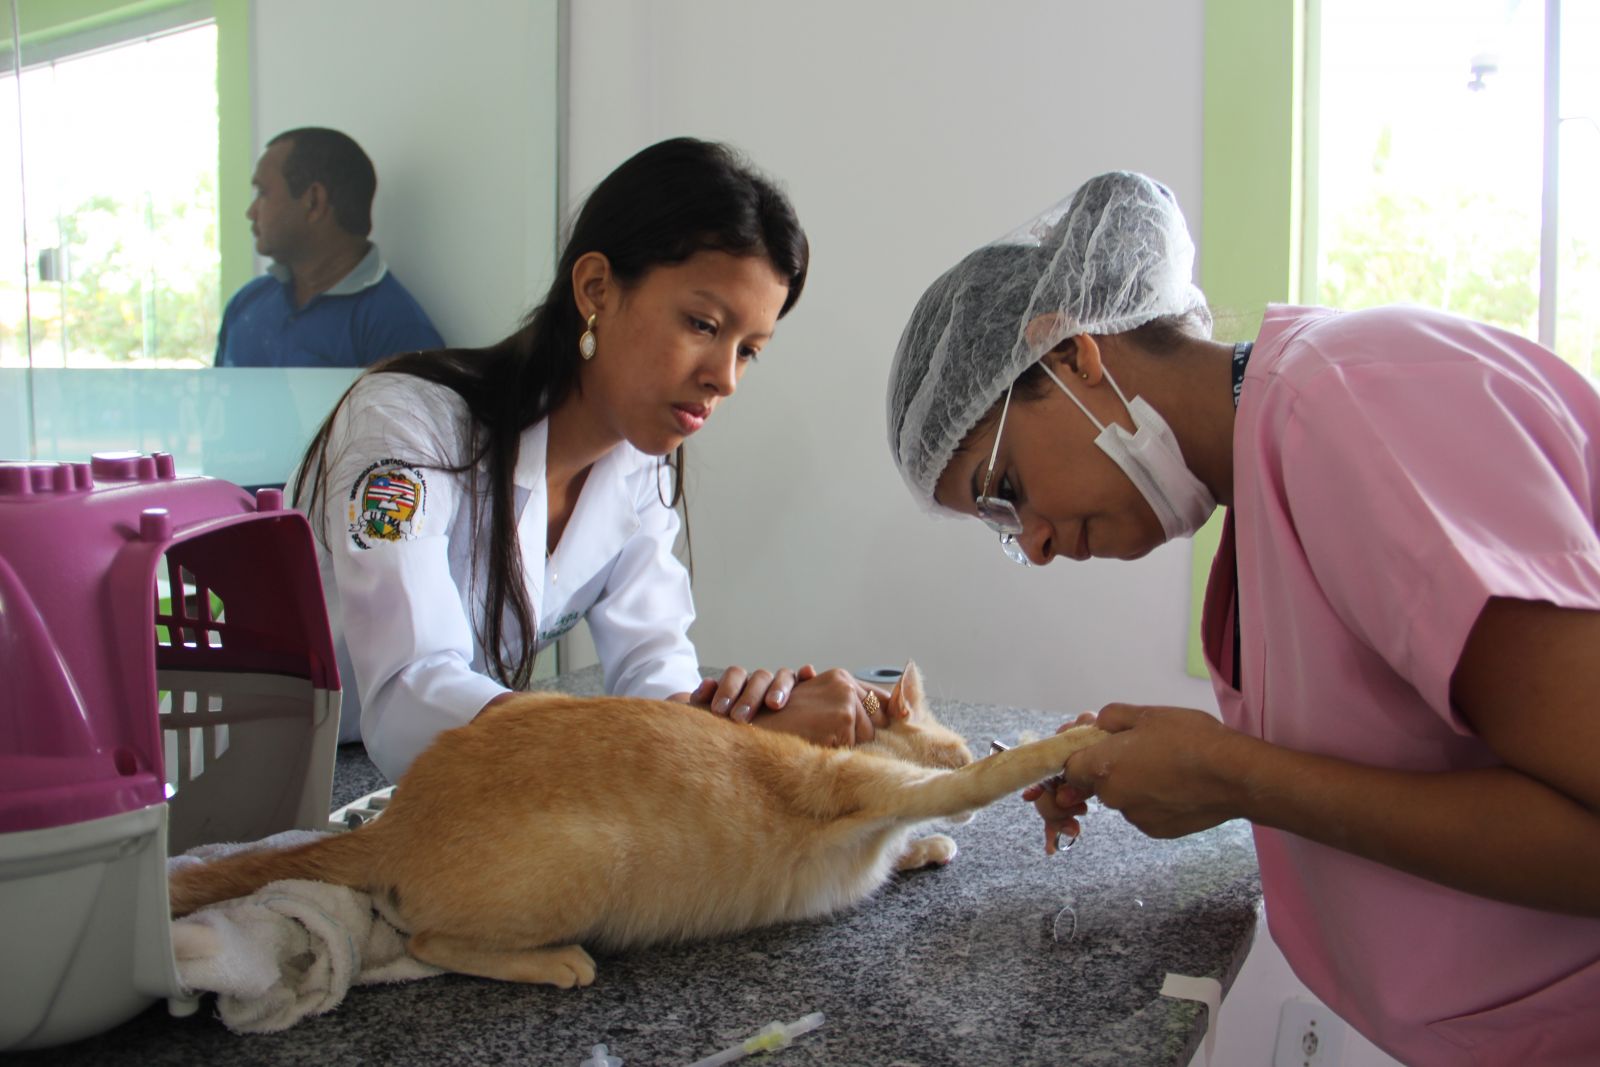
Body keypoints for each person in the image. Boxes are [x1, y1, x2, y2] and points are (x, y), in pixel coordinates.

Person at [886, 171, 1600, 1064]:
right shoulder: (1268, 497)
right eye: (999, 527)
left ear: (1071, 354)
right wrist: (1200, 780)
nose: (1029, 545)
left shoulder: (1347, 407)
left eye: (1006, 492)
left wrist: (1238, 779)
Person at [293, 137, 883, 782]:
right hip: (291, 774)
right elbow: (409, 695)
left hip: (451, 776)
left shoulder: (638, 470)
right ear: (597, 287)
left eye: (749, 349)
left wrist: (743, 722)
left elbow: (654, 671)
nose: (725, 379)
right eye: (703, 324)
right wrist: (682, 736)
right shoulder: (404, 426)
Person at [216, 127, 444, 368]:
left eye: (262, 192)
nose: (251, 212)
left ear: (313, 201)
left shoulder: (397, 329)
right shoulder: (245, 304)